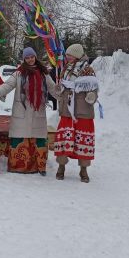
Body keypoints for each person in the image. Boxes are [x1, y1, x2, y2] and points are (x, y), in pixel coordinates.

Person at [0, 47, 57, 175]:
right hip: (21, 111)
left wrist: (66, 97)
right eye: (27, 58)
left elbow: (53, 89)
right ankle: (18, 166)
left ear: (35, 57)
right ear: (24, 59)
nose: (30, 60)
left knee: (38, 138)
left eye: (32, 57)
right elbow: (7, 86)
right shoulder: (18, 73)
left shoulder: (43, 73)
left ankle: (39, 166)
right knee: (20, 137)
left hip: (37, 112)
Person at [53, 44, 99, 183]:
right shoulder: (65, 69)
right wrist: (60, 88)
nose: (67, 57)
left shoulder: (87, 70)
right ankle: (61, 166)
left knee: (83, 141)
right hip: (67, 110)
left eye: (70, 55)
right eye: (67, 55)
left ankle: (83, 170)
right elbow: (63, 85)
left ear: (77, 55)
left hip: (83, 111)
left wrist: (92, 96)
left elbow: (93, 87)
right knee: (64, 139)